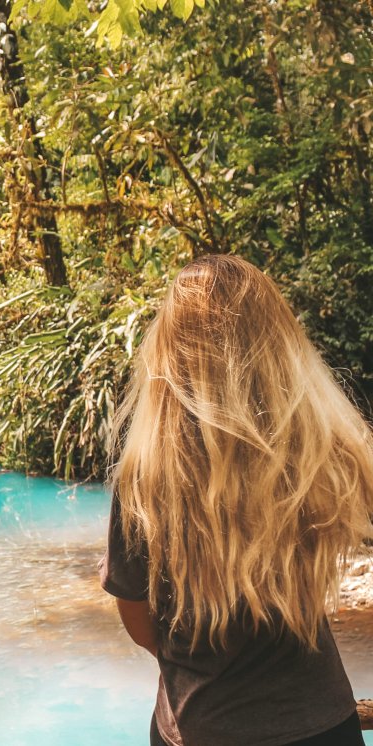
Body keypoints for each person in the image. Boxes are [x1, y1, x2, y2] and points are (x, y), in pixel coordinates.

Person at [99, 254, 373, 746]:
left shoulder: (146, 475)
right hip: (322, 721)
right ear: (280, 342)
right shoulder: (328, 451)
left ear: (170, 349)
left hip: (201, 723)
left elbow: (138, 618)